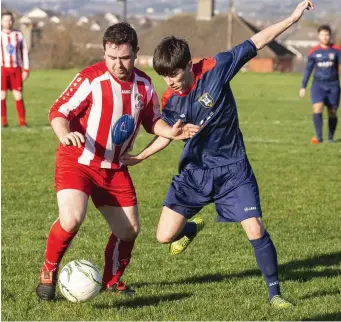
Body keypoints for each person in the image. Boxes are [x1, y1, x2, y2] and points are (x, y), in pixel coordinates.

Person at [121, 1, 315, 309]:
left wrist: (292, 18)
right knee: (162, 237)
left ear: (188, 65)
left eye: (173, 73)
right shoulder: (169, 100)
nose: (169, 81)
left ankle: (275, 293)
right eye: (164, 75)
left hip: (233, 169)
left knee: (255, 227)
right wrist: (141, 157)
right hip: (194, 173)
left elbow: (258, 40)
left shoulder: (216, 68)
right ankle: (192, 227)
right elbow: (167, 134)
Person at [35, 22, 198, 301]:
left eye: (124, 57)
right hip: (79, 162)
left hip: (114, 168)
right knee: (72, 218)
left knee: (129, 230)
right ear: (104, 53)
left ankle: (112, 281)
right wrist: (64, 134)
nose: (118, 64)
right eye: (111, 57)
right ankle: (49, 270)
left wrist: (170, 131)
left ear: (135, 52)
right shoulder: (90, 79)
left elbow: (152, 121)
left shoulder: (144, 85)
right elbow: (59, 110)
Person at [299, 24, 341, 144]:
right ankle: (319, 137)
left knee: (332, 112)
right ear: (318, 36)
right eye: (322, 35)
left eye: (327, 34)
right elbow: (308, 69)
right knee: (317, 107)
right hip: (318, 85)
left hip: (333, 85)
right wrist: (303, 86)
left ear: (330, 36)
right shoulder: (314, 51)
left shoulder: (337, 50)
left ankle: (330, 138)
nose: (325, 37)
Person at [1, 12, 29, 128]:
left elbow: (24, 52)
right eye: (6, 20)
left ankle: (22, 122)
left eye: (11, 20)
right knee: (2, 96)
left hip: (16, 69)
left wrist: (26, 69)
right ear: (2, 21)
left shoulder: (18, 35)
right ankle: (3, 122)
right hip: (2, 69)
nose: (9, 22)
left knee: (18, 96)